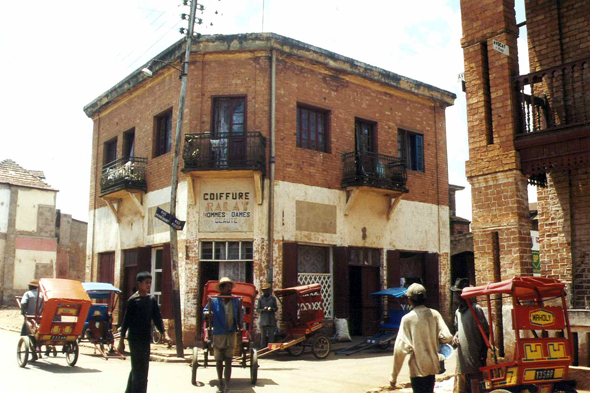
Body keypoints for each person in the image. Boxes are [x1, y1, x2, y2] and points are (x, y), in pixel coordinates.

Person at [390, 283, 453, 393]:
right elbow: (447, 337)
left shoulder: (407, 319)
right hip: (432, 367)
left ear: (409, 300)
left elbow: (399, 350)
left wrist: (394, 377)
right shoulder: (434, 314)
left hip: (417, 369)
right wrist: (435, 339)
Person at [118, 271, 170, 393]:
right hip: (134, 339)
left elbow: (157, 318)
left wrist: (164, 334)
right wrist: (121, 341)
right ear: (138, 283)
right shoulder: (133, 301)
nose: (148, 285)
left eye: (150, 283)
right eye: (146, 283)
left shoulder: (151, 300)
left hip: (146, 339)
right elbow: (126, 322)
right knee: (138, 369)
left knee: (143, 368)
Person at [203, 277, 243, 393]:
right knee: (219, 360)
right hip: (219, 332)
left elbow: (241, 310)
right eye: (226, 286)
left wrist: (240, 321)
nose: (229, 288)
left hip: (231, 332)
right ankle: (220, 380)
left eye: (230, 286)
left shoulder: (235, 300)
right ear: (221, 288)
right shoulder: (214, 300)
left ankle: (227, 384)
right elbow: (205, 310)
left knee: (229, 359)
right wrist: (207, 313)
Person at [451, 278, 489, 393]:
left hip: (474, 360)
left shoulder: (476, 310)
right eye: (456, 293)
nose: (456, 296)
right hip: (462, 363)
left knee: (475, 388)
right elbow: (458, 330)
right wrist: (455, 337)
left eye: (459, 293)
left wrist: (483, 355)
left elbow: (486, 333)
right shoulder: (458, 312)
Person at [256, 282, 278, 349]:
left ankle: (271, 349)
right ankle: (263, 349)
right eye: (263, 290)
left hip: (271, 319)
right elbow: (258, 309)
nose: (265, 291)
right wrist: (263, 309)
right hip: (263, 320)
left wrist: (271, 309)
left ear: (268, 290)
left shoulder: (273, 298)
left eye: (266, 290)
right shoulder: (260, 299)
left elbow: (276, 308)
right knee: (263, 337)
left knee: (271, 336)